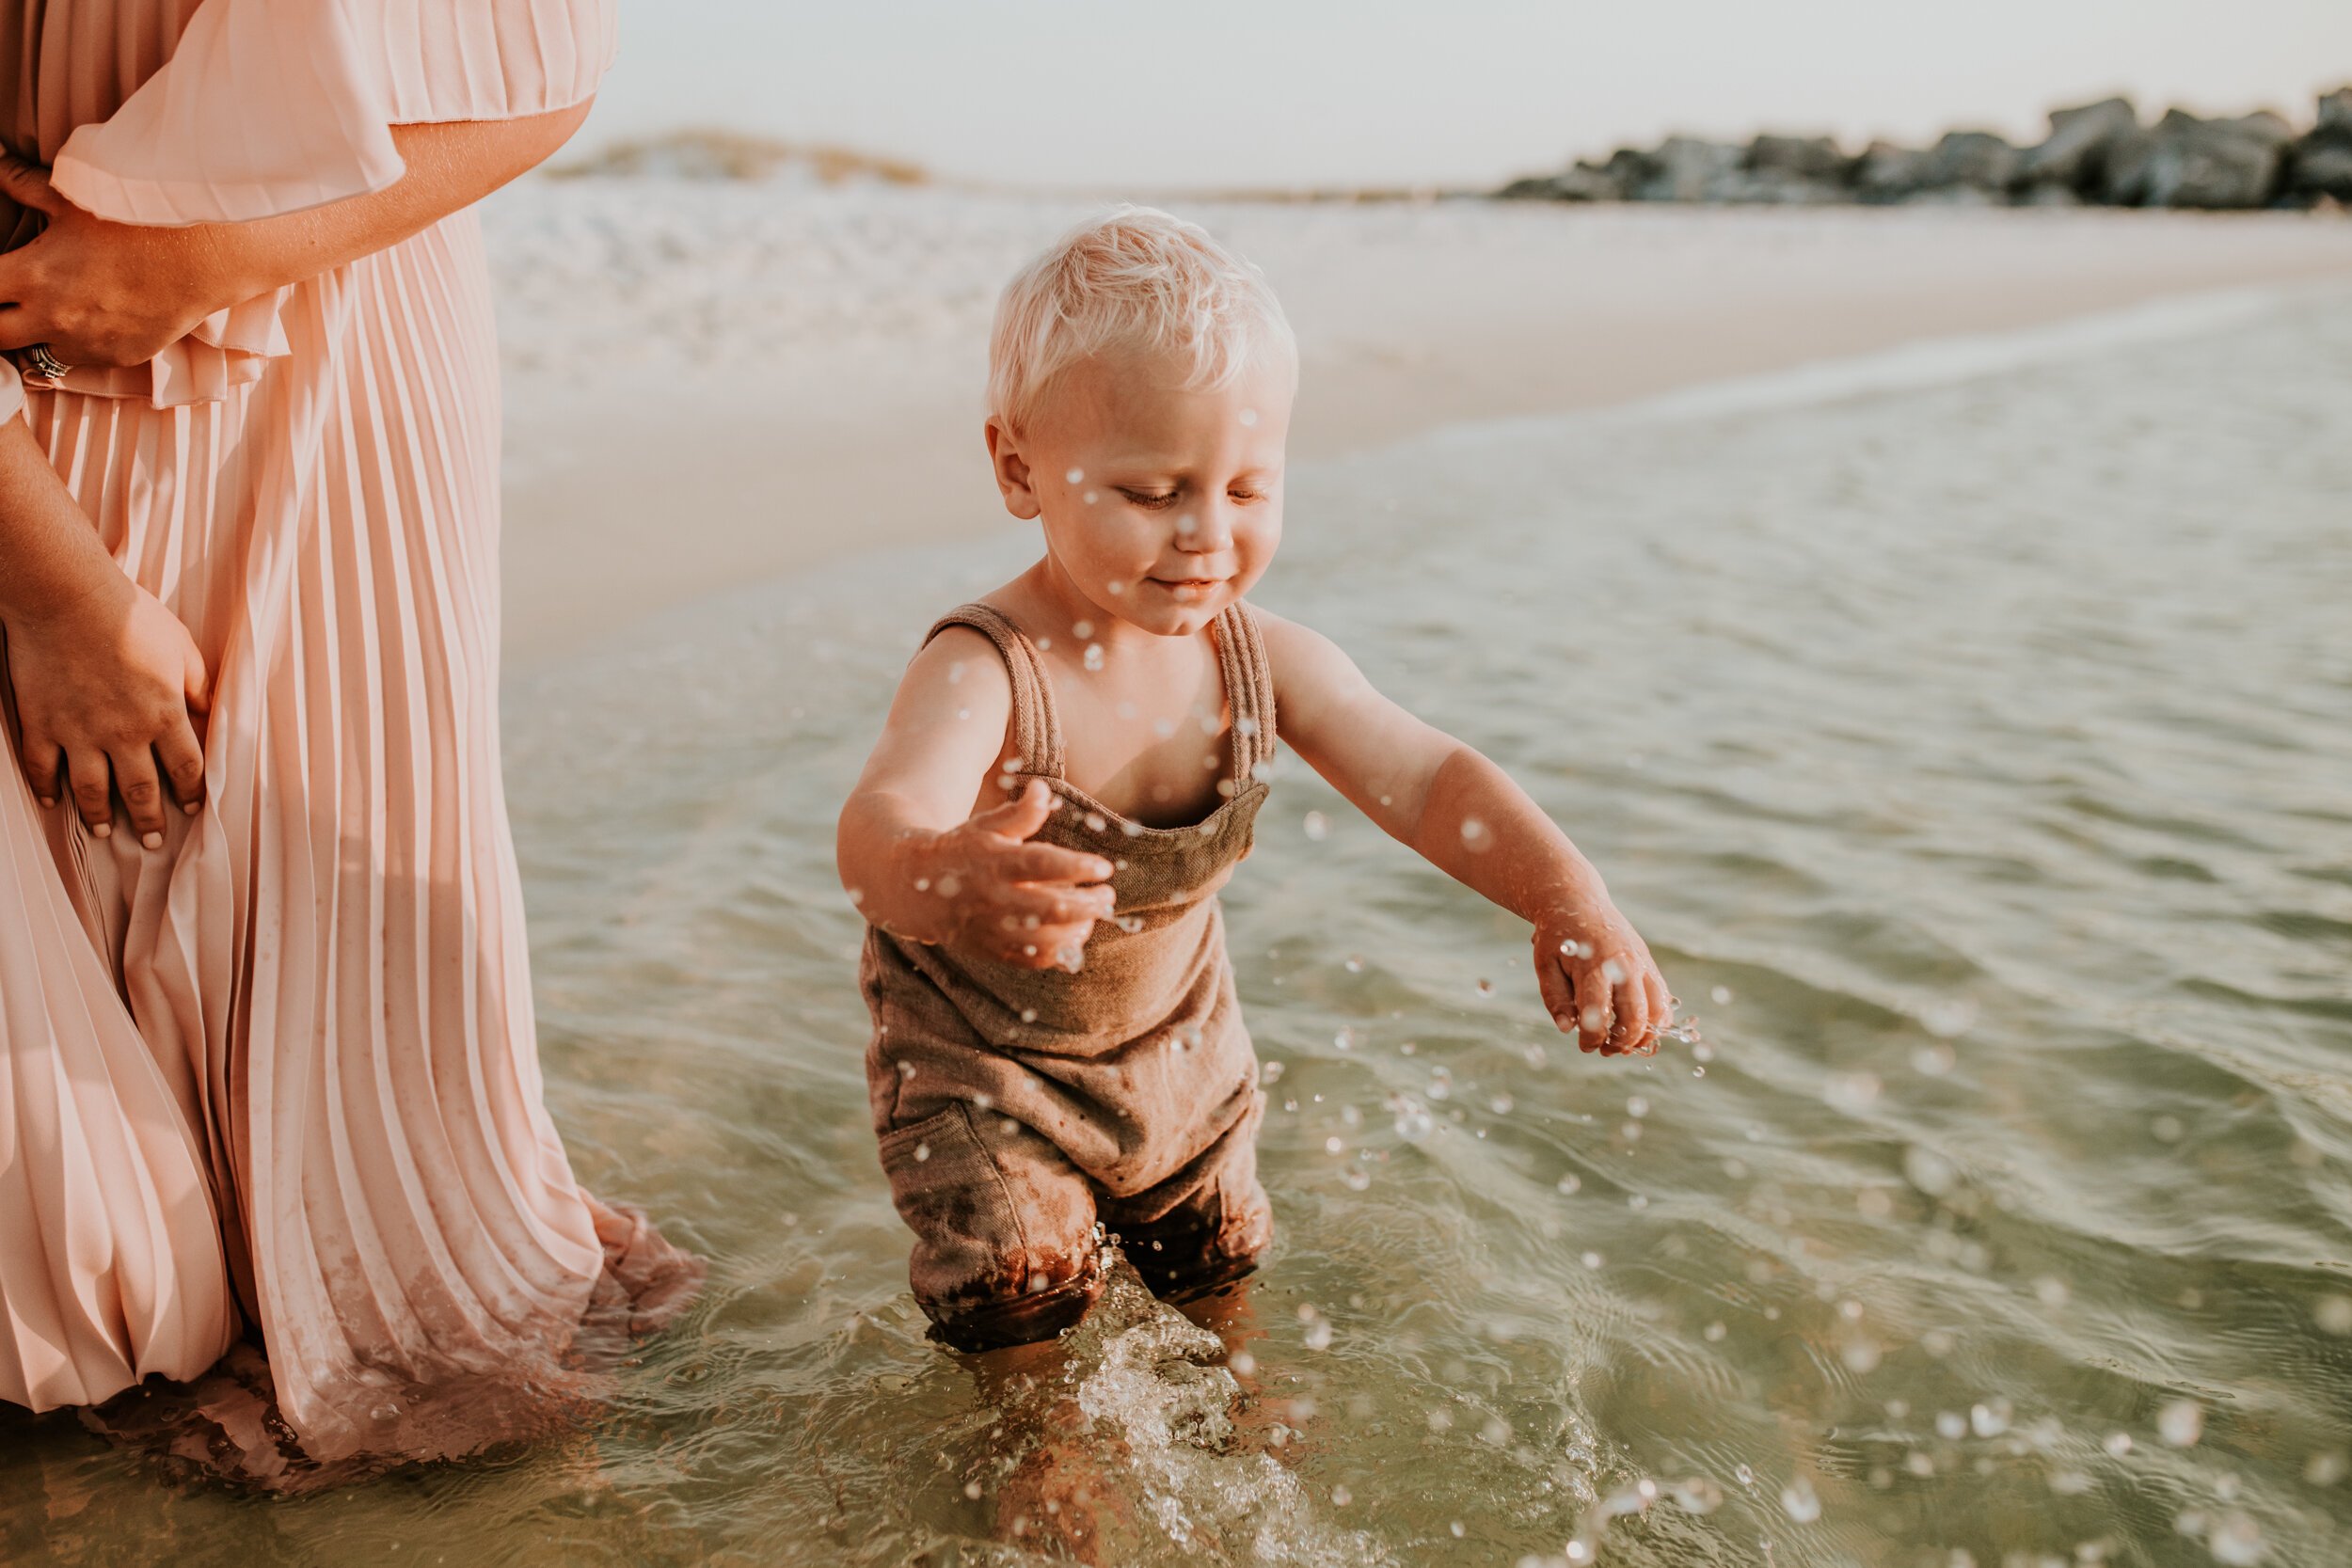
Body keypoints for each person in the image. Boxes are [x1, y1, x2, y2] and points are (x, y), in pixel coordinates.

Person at [0, 0, 695, 1484]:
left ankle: (353, 1301)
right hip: (38, 400)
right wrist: (49, 589)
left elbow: (549, 61)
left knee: (342, 924)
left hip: (362, 338)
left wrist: (208, 256)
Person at [837, 207, 1673, 1352]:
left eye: (1244, 490)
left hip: (1181, 1058)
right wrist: (939, 872)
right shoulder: (988, 666)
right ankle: (1036, 1460)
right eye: (1149, 492)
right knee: (1020, 1308)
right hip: (990, 1077)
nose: (1203, 536)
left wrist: (1568, 897)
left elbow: (1428, 777)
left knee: (1220, 1283)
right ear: (1018, 467)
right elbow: (878, 822)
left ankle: (1250, 1413)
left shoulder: (1257, 656)